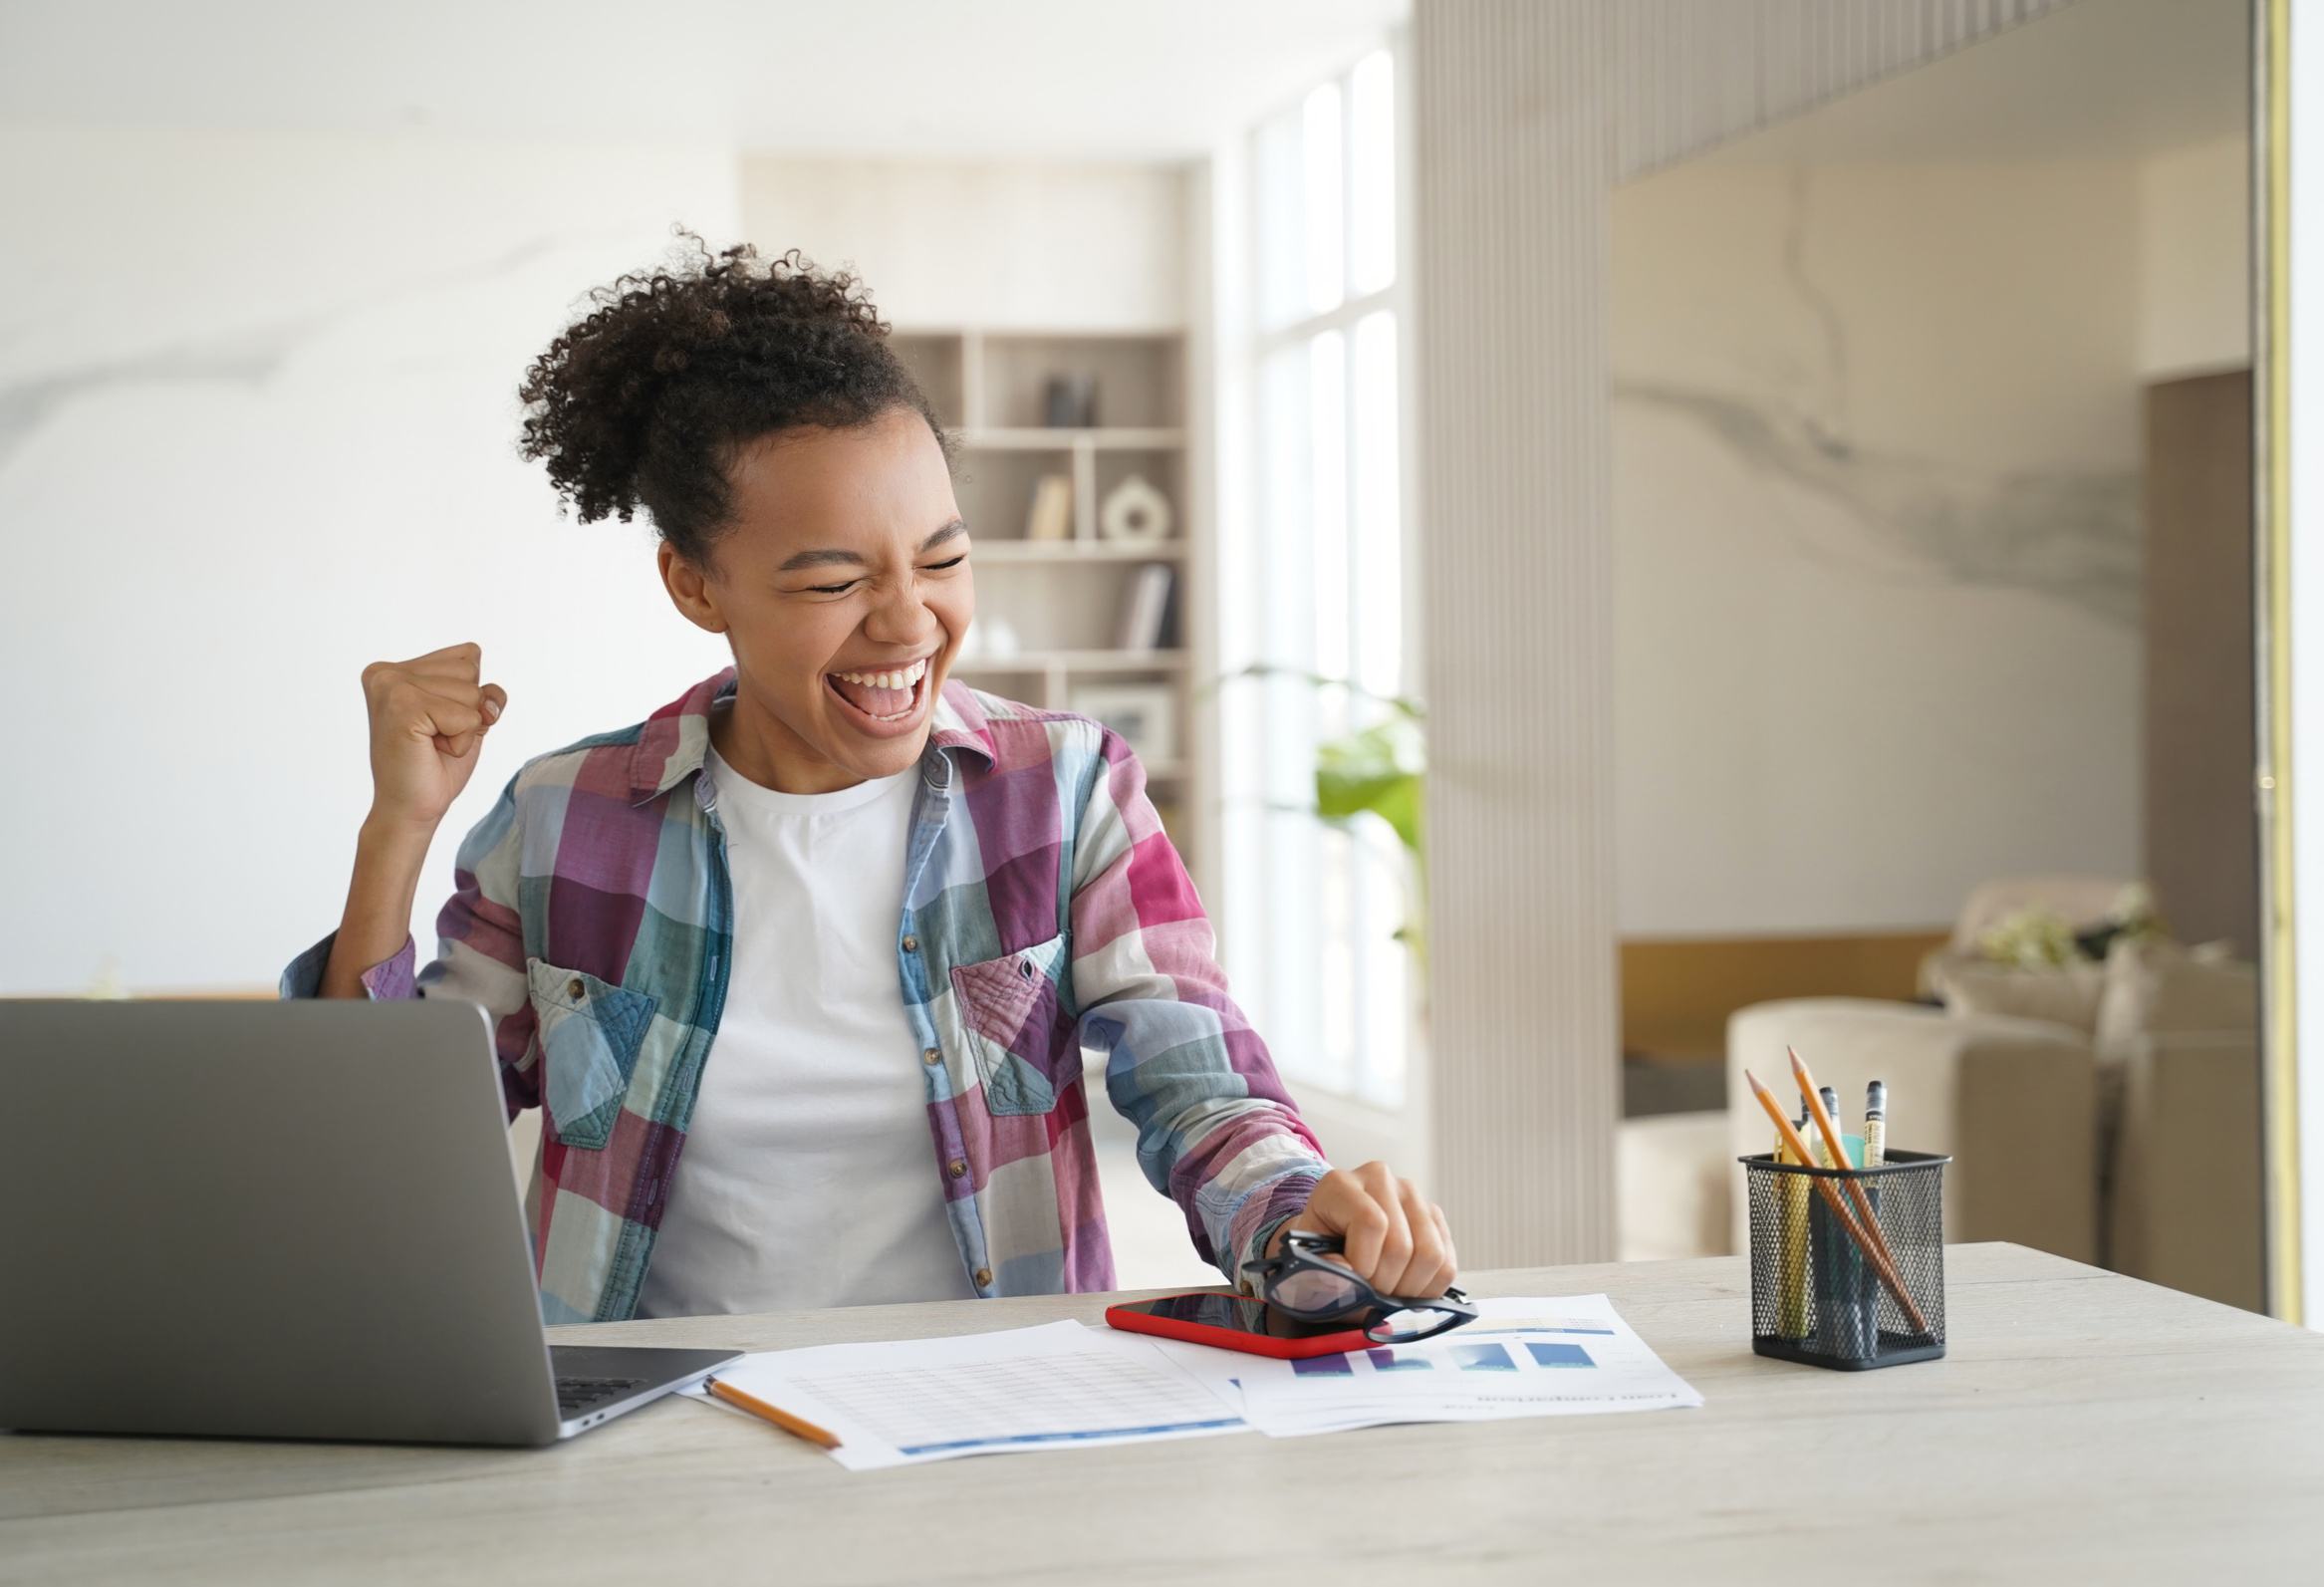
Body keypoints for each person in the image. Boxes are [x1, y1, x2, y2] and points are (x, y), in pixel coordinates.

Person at [284, 240, 1454, 1324]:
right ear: (695, 586)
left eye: (941, 557)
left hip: (981, 1412)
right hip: (647, 1424)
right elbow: (382, 1159)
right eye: (833, 579)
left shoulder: (1063, 787)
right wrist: (399, 828)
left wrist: (1297, 1215)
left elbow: (1200, 1083)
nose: (908, 620)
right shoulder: (562, 819)